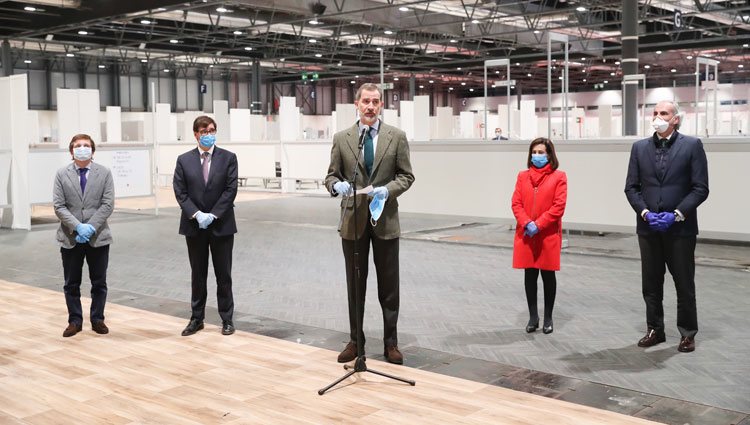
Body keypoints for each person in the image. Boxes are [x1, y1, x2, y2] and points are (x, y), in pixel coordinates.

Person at [325, 83, 415, 364]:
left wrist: (387, 190)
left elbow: (406, 176)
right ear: (356, 103)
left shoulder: (396, 137)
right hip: (353, 221)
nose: (371, 106)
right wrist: (336, 185)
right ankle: (356, 341)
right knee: (355, 285)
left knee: (389, 287)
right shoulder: (343, 138)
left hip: (385, 219)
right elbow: (330, 176)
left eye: (376, 101)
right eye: (366, 101)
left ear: (381, 105)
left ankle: (391, 343)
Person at [625, 100, 709, 353]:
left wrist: (677, 213)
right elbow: (631, 187)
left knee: (684, 283)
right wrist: (645, 212)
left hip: (680, 229)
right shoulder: (639, 148)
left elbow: (700, 188)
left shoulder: (692, 146)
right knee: (651, 283)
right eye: (655, 113)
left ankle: (687, 333)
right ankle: (655, 329)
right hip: (648, 228)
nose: (658, 117)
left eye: (664, 113)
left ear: (676, 119)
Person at [173, 116, 238, 337]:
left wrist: (214, 214)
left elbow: (230, 190)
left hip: (221, 225)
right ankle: (196, 318)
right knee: (198, 274)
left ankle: (227, 319)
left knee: (223, 274)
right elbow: (180, 191)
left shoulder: (228, 158)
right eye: (204, 131)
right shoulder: (184, 160)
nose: (208, 134)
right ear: (196, 134)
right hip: (194, 226)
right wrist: (196, 214)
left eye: (212, 130)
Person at [53, 134, 115, 337]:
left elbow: (107, 204)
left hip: (98, 237)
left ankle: (97, 319)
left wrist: (90, 227)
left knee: (99, 282)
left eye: (86, 145)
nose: (82, 148)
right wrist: (78, 227)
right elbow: (59, 206)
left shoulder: (104, 173)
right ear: (71, 151)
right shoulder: (62, 174)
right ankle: (75, 320)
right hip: (70, 237)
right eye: (78, 146)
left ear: (93, 150)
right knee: (71, 283)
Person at [511, 137, 567, 335]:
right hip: (526, 233)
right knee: (530, 274)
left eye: (541, 152)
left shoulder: (559, 177)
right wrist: (527, 222)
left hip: (547, 234)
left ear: (549, 154)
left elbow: (558, 206)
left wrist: (539, 224)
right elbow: (516, 203)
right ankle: (533, 316)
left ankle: (548, 317)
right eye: (534, 152)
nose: (537, 156)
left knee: (548, 275)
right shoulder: (522, 176)